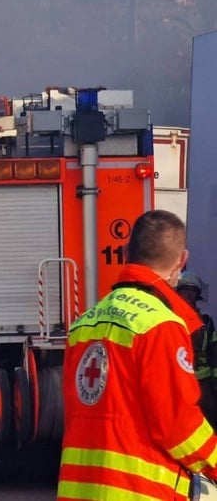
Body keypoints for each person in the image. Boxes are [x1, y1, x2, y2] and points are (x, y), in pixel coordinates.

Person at [58, 210, 217, 500]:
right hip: (137, 491)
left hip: (80, 489)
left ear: (126, 252)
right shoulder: (160, 325)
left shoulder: (86, 323)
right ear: (181, 260)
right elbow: (177, 425)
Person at [176, 272, 217, 427]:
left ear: (198, 294)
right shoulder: (168, 317)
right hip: (179, 378)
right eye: (184, 289)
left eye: (192, 290)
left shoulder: (205, 321)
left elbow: (214, 351)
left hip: (202, 379)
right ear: (177, 292)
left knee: (210, 414)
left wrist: (214, 381)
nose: (188, 293)